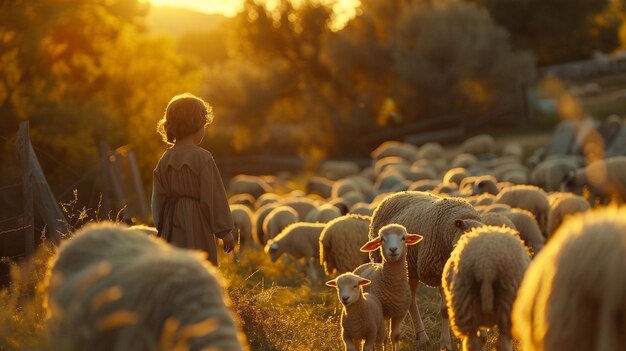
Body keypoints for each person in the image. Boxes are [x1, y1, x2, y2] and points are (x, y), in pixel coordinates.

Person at [152, 92, 235, 266]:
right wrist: (224, 230)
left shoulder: (165, 159)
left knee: (176, 268)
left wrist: (162, 224)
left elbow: (157, 199)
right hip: (198, 223)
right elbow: (213, 197)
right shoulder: (203, 158)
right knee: (199, 266)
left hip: (171, 224)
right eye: (204, 125)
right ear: (197, 125)